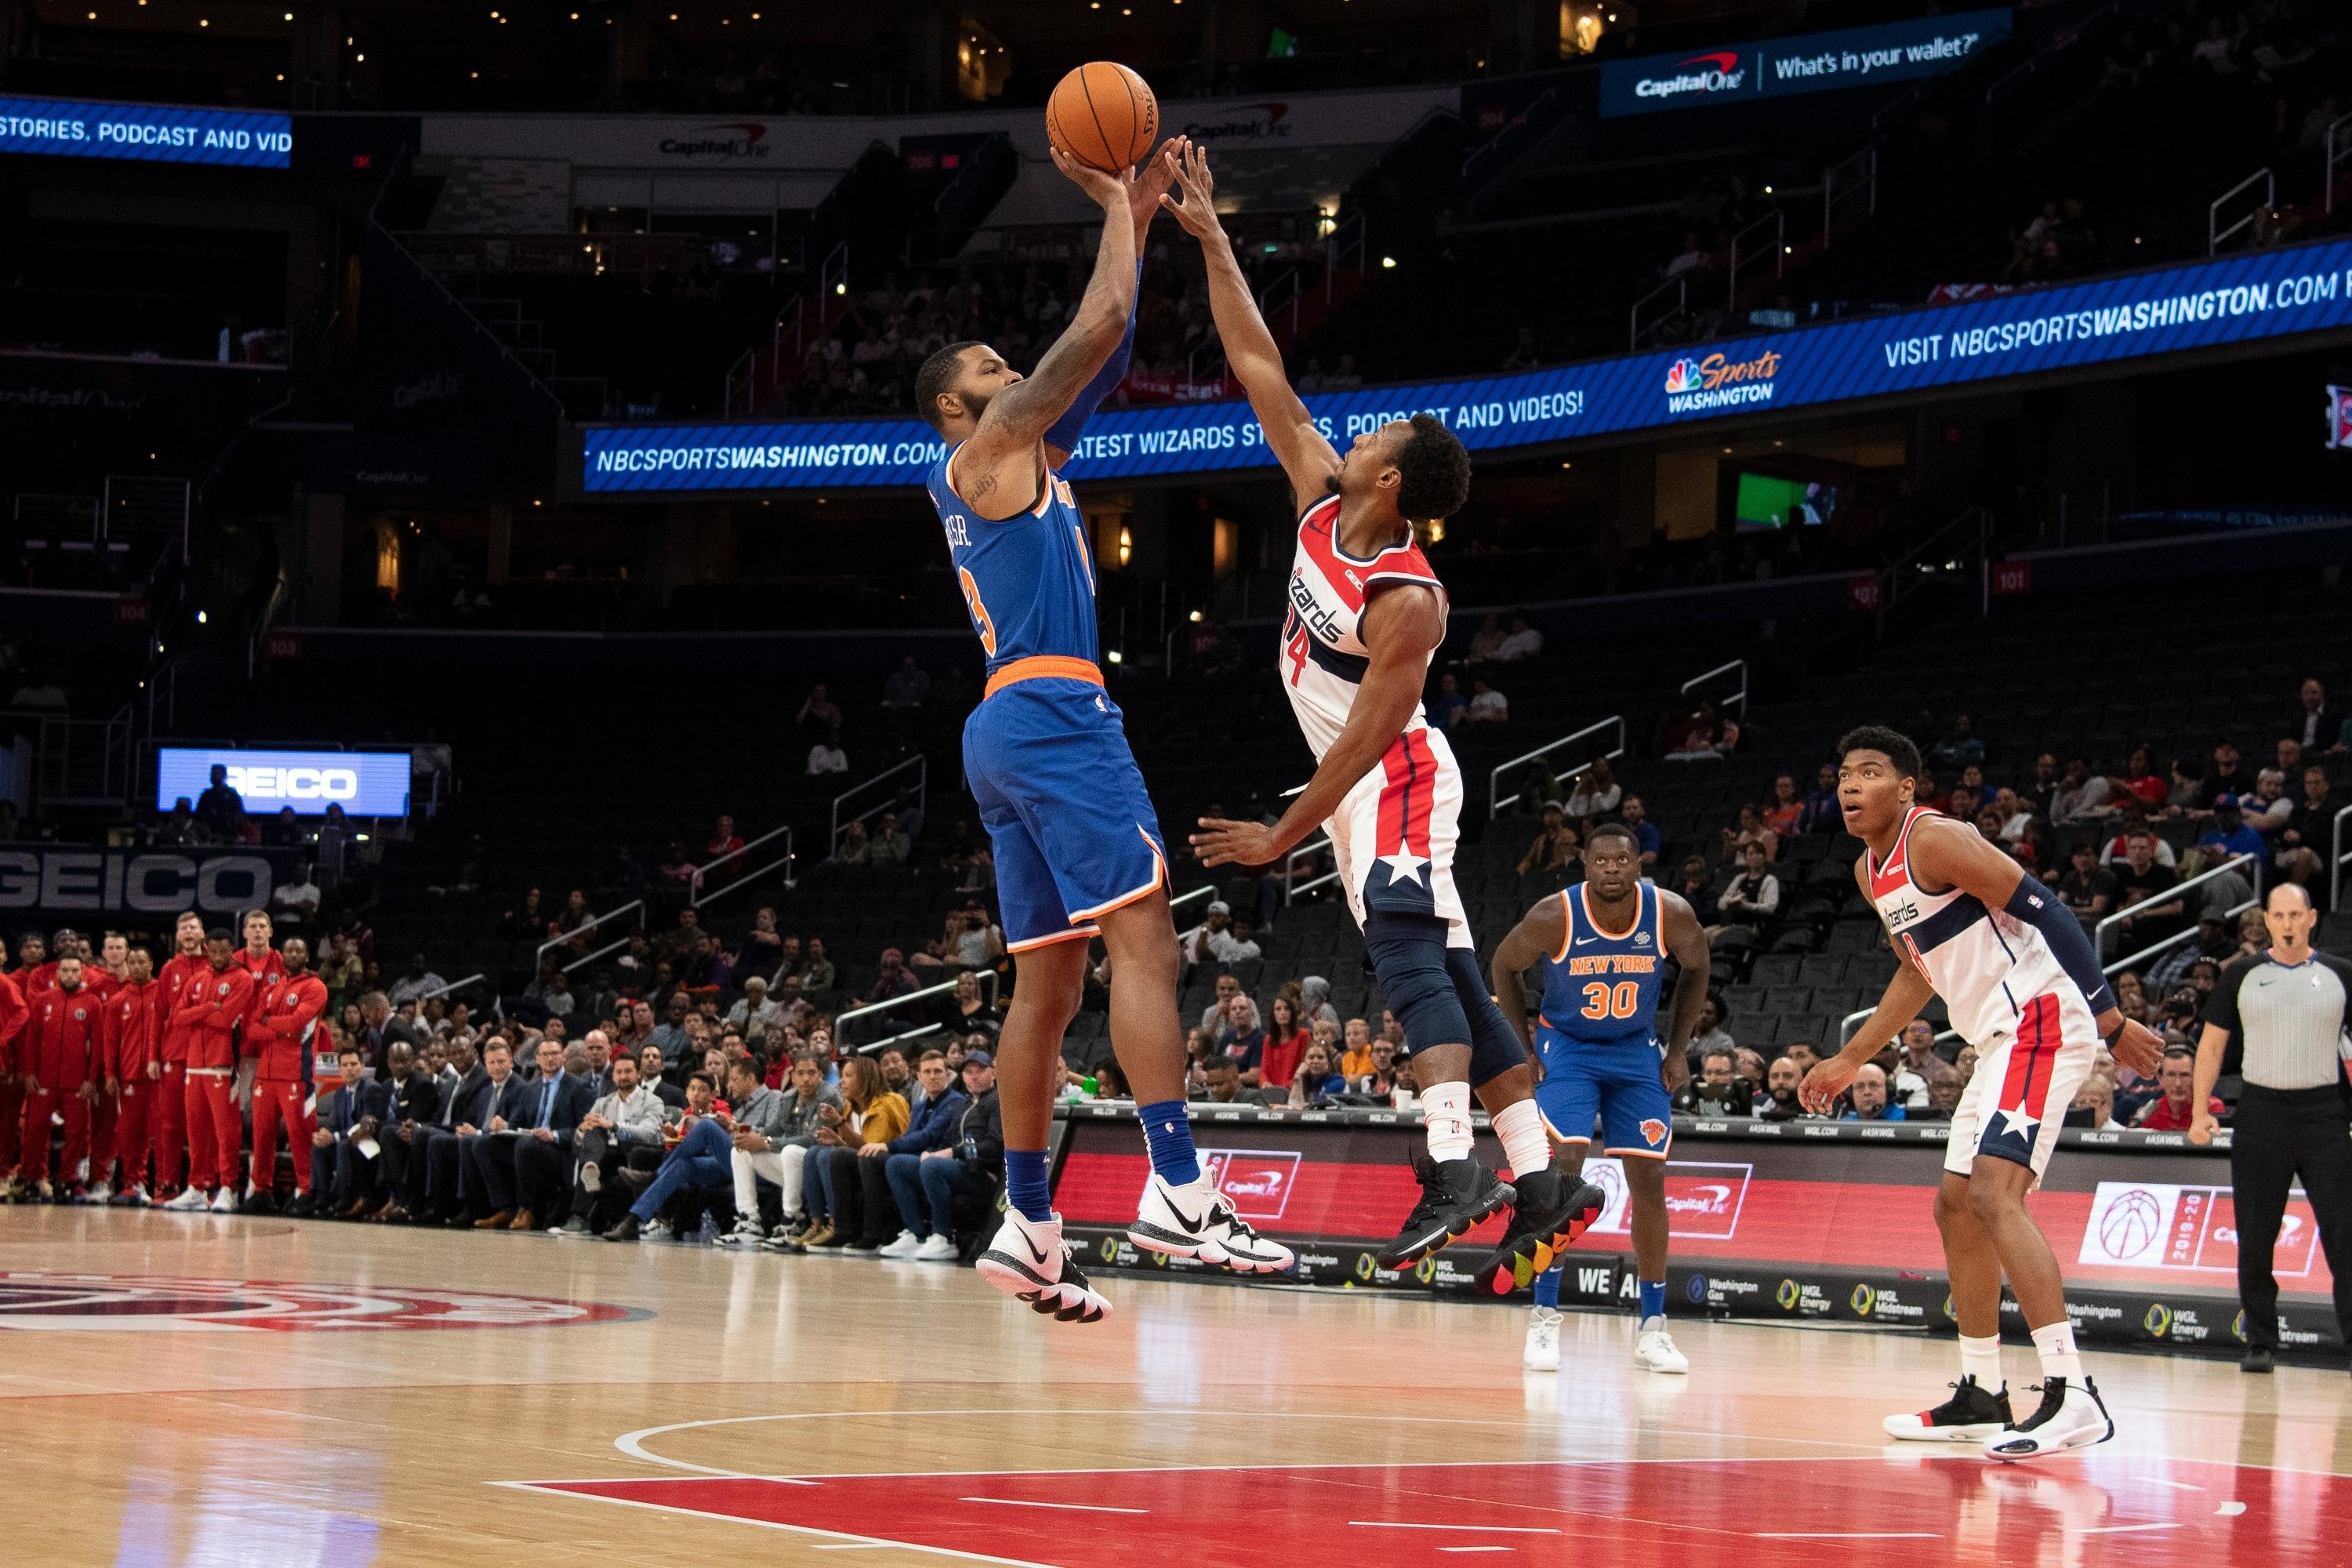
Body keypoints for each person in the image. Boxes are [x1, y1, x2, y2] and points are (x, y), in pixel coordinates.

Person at [1167, 142, 1580, 1295]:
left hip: (1391, 777)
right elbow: (1256, 361)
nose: (1361, 431)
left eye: (1380, 437)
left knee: (1402, 948)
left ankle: (1454, 1167)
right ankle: (1543, 1177)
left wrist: (1277, 837)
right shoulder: (1315, 499)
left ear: (1392, 482)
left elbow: (1363, 743)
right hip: (1360, 786)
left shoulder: (1409, 598)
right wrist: (1210, 238)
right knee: (1442, 956)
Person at [913, 134, 1285, 1321]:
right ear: (950, 404)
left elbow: (1107, 354)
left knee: (1046, 994)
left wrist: (1132, 210)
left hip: (1006, 725)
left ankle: (1029, 1224)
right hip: (1056, 712)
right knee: (1149, 948)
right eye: (988, 361)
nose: (1007, 364)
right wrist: (1113, 211)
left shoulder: (1022, 457)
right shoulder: (982, 453)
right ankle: (1178, 1185)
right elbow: (1093, 330)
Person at [1803, 728, 2161, 1459]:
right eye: (1843, 774)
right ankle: (1980, 1390)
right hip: (1997, 1040)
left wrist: (2112, 1016)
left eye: (1869, 773)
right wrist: (1847, 1059)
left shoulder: (1933, 838)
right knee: (1955, 1204)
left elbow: (2049, 910)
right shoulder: (1873, 874)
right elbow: (1917, 974)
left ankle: (2073, 1394)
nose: (1850, 786)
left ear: (1906, 788)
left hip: (2043, 1019)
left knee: (1996, 1195)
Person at [1491, 823, 1704, 1374]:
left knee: (1649, 1181)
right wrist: (1525, 1043)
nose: (1612, 868)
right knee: (1562, 1174)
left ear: (1639, 865)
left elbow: (1699, 967)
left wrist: (1678, 1048)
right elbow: (1504, 966)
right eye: (1601, 860)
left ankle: (1653, 1328)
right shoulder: (1553, 915)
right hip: (1570, 1050)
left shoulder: (1670, 912)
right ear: (1585, 865)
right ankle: (1543, 1316)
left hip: (1637, 1052)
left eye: (1622, 860)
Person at [2188, 884, 2352, 1373]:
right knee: (2256, 1233)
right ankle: (2260, 1341)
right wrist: (2201, 1112)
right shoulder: (2240, 974)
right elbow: (2212, 1047)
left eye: (2294, 915)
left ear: (2311, 918)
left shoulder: (2341, 974)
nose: (2285, 923)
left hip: (2326, 1114)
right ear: (2266, 918)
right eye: (2277, 915)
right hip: (2262, 1112)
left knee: (2344, 1233)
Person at [159, 929, 254, 1214]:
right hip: (194, 1064)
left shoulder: (243, 979)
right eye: (212, 951)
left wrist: (199, 1012)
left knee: (226, 1133)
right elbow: (177, 1018)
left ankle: (228, 1188)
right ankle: (197, 1189)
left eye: (224, 951)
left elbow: (226, 1020)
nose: (218, 956)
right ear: (206, 949)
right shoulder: (197, 979)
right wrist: (209, 1007)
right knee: (196, 1132)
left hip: (223, 1066)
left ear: (232, 950)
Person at [243, 935, 328, 1217]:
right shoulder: (274, 987)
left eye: (299, 950)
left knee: (300, 1136)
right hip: (265, 1074)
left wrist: (269, 1023)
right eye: (289, 949)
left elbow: (297, 1024)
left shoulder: (316, 987)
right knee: (262, 1136)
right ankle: (261, 1191)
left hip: (297, 1073)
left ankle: (307, 1191)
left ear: (307, 955)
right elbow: (252, 1029)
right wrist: (276, 1028)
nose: (293, 954)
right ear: (283, 955)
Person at [20, 951, 99, 1201]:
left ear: (82, 973)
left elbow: (97, 1046)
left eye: (75, 971)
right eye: (65, 970)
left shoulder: (92, 1003)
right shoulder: (43, 1001)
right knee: (36, 1130)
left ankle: (67, 1180)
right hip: (44, 1079)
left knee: (76, 1133)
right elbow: (32, 1040)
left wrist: (91, 1079)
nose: (70, 975)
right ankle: (35, 1179)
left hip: (76, 1081)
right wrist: (29, 1072)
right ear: (57, 973)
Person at [310, 1046, 386, 1211]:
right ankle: (322, 1197)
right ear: (339, 1070)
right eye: (344, 1065)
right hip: (347, 1141)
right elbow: (335, 1125)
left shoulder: (371, 1089)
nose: (349, 1069)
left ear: (363, 1067)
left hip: (370, 1143)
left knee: (344, 1145)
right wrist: (325, 1135)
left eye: (354, 1064)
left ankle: (345, 1197)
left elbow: (365, 1127)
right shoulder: (340, 1094)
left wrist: (335, 1137)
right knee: (318, 1146)